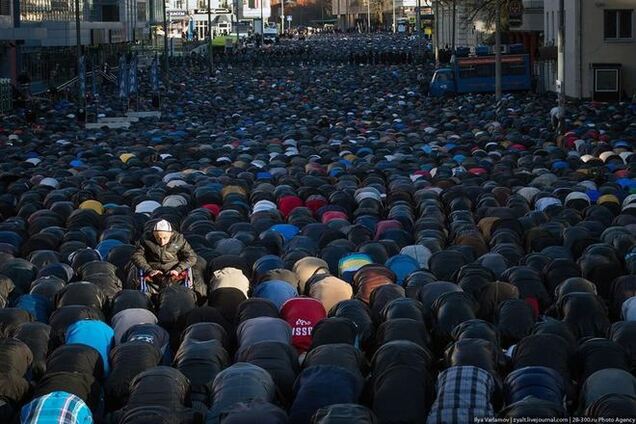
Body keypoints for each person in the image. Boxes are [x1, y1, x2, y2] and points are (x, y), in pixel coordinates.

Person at [131, 220, 197, 293]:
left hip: (174, 270)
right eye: (158, 238)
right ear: (153, 234)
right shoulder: (146, 239)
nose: (162, 241)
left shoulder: (179, 239)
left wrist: (178, 269)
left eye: (165, 238)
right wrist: (149, 270)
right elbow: (137, 256)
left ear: (171, 234)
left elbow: (192, 257)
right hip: (153, 270)